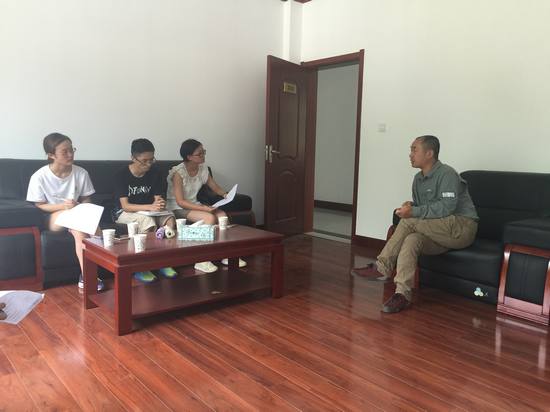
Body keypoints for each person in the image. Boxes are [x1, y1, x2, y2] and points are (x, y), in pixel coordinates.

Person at [351, 135, 478, 313]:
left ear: (429, 153)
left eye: (414, 150)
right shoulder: (418, 179)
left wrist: (413, 212)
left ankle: (382, 267)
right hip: (440, 231)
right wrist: (411, 206)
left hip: (461, 227)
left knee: (409, 220)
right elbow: (425, 209)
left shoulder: (447, 174)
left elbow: (447, 207)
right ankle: (402, 295)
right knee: (412, 240)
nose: (410, 154)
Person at [26, 132, 104, 291]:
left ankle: (88, 277)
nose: (70, 154)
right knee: (85, 225)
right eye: (64, 151)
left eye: (72, 149)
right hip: (52, 217)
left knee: (81, 231)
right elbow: (40, 205)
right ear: (51, 155)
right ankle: (90, 276)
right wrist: (64, 207)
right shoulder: (39, 176)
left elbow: (87, 200)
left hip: (76, 215)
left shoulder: (81, 173)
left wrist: (80, 206)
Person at [166, 139, 246, 273]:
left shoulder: (203, 169)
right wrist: (204, 208)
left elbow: (215, 187)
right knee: (209, 218)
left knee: (222, 215)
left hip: (194, 204)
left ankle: (226, 255)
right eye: (200, 153)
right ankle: (201, 260)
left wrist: (225, 195)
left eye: (204, 151)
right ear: (189, 157)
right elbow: (180, 201)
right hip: (178, 207)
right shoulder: (178, 173)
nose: (203, 155)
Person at [114, 138, 177, 283]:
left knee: (169, 218)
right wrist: (149, 207)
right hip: (125, 212)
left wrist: (159, 204)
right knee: (147, 221)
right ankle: (141, 267)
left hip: (149, 210)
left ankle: (164, 262)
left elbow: (157, 199)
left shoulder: (156, 173)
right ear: (133, 158)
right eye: (144, 161)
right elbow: (125, 206)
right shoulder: (121, 175)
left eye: (151, 160)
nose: (148, 164)